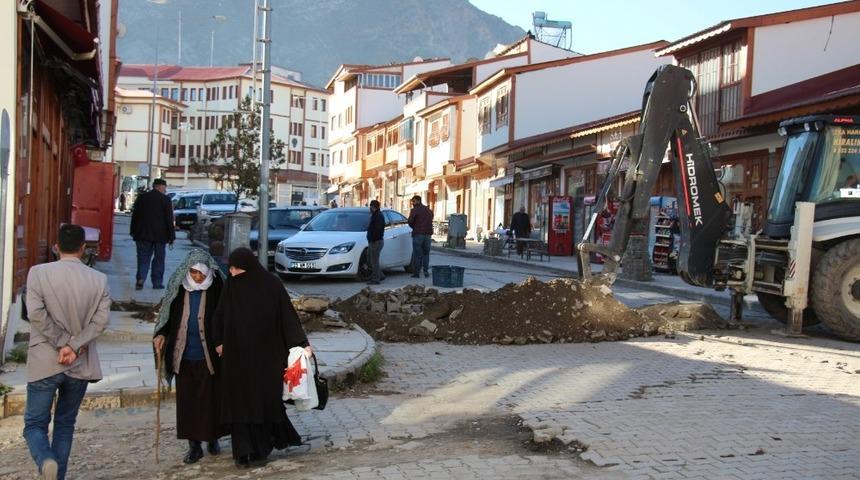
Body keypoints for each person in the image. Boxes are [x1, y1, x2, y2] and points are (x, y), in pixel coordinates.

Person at [23, 224, 111, 480]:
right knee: (65, 424)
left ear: (56, 247)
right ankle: (57, 475)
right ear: (83, 248)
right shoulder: (99, 279)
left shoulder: (38, 273)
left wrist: (62, 343)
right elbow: (100, 322)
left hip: (45, 360)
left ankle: (45, 460)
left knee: (34, 424)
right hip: (79, 363)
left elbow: (35, 314)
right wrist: (73, 346)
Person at [213, 248, 313, 468]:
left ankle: (261, 450)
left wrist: (302, 343)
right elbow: (219, 315)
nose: (232, 273)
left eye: (236, 269)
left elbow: (287, 316)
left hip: (266, 359)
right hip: (236, 360)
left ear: (248, 267)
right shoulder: (231, 286)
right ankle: (242, 452)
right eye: (230, 268)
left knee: (263, 404)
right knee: (239, 404)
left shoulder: (272, 285)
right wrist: (218, 342)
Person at [153, 249, 225, 464]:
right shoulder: (178, 288)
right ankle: (194, 446)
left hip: (209, 356)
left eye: (201, 273)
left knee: (210, 400)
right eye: (194, 272)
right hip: (183, 355)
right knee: (188, 402)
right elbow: (167, 315)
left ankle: (212, 437)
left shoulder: (217, 288)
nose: (198, 277)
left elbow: (225, 317)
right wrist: (161, 334)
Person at [130, 178, 175, 290]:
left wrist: (133, 231)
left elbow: (135, 216)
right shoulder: (165, 200)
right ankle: (157, 282)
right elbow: (169, 219)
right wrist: (172, 237)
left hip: (142, 234)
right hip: (160, 235)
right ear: (159, 187)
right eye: (164, 188)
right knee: (159, 259)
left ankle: (141, 278)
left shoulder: (142, 197)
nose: (165, 190)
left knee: (143, 258)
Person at [407, 195, 433, 278]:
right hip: (428, 234)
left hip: (418, 234)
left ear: (418, 201)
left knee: (417, 254)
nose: (413, 203)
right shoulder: (428, 210)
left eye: (414, 201)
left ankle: (417, 273)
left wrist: (414, 227)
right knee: (426, 253)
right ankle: (425, 271)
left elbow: (410, 221)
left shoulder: (414, 210)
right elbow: (431, 219)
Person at [366, 200, 385, 285]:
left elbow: (377, 230)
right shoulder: (375, 215)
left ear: (373, 207)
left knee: (374, 261)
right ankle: (380, 275)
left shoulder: (378, 216)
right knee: (370, 260)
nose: (369, 208)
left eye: (370, 206)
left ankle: (376, 279)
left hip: (376, 241)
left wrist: (372, 239)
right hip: (373, 241)